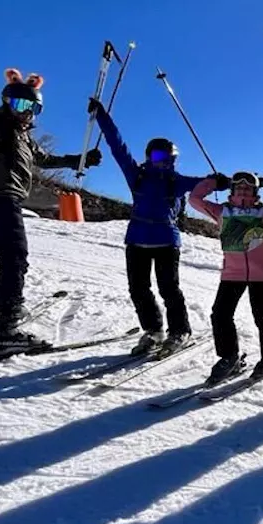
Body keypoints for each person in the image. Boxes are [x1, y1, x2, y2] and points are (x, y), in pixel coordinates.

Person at [0, 69, 100, 352]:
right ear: (6, 101)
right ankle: (5, 330)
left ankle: (7, 313)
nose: (26, 113)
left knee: (12, 258)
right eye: (19, 105)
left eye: (33, 108)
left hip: (1, 198)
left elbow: (44, 159)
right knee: (14, 260)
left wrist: (80, 160)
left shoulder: (24, 137)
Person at [90, 98, 205, 355]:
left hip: (166, 240)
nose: (162, 161)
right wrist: (102, 116)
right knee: (138, 289)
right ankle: (153, 330)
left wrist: (220, 181)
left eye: (168, 157)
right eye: (157, 155)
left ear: (173, 159)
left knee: (168, 288)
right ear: (149, 157)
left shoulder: (175, 181)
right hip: (137, 240)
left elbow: (202, 184)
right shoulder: (137, 176)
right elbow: (118, 147)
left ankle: (180, 331)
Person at [188, 171, 263, 385]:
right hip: (232, 273)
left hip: (262, 273)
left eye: (248, 187)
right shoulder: (222, 211)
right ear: (232, 189)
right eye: (238, 186)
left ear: (255, 191)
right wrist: (212, 183)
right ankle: (229, 357)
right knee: (220, 314)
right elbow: (194, 199)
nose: (243, 189)